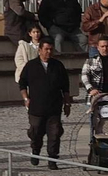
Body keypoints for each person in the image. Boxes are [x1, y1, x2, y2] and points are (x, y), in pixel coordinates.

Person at [17, 39, 71, 167]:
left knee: (55, 133)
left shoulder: (58, 65)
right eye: (46, 49)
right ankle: (35, 151)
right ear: (40, 50)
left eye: (51, 49)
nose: (49, 52)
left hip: (54, 107)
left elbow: (65, 86)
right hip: (36, 108)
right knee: (36, 132)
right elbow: (22, 83)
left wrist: (67, 104)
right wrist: (26, 98)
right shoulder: (31, 66)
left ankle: (52, 159)